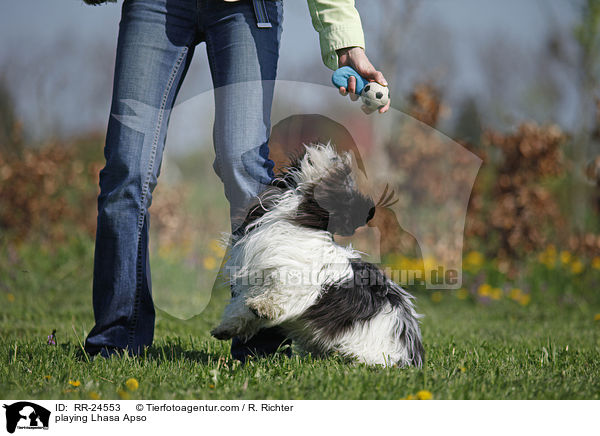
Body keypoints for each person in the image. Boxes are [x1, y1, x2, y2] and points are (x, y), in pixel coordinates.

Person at [83, 0, 390, 359]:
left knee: (242, 165)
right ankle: (118, 339)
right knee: (126, 168)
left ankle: (260, 343)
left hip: (245, 9)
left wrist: (347, 42)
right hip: (154, 5)